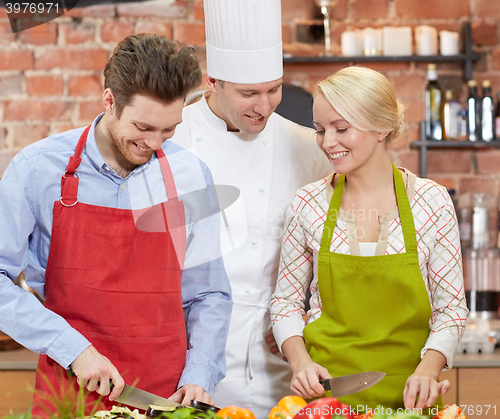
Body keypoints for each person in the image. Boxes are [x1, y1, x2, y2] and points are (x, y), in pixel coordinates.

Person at [0, 33, 232, 417]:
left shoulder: (190, 175)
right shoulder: (38, 169)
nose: (155, 143)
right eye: (143, 127)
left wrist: (200, 373)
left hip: (166, 397)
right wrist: (72, 349)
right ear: (109, 100)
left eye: (169, 130)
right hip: (70, 388)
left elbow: (209, 293)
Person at [270, 66, 468, 412]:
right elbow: (285, 302)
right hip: (327, 402)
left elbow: (450, 308)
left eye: (341, 128)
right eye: (320, 130)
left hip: (411, 400)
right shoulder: (308, 202)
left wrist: (429, 368)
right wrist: (300, 361)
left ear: (382, 127)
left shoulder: (431, 201)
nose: (328, 142)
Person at [170, 0, 331, 417]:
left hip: (281, 363)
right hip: (188, 361)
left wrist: (310, 322)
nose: (265, 106)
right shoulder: (172, 140)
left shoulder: (304, 147)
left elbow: (324, 252)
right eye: (248, 94)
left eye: (273, 89)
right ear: (212, 83)